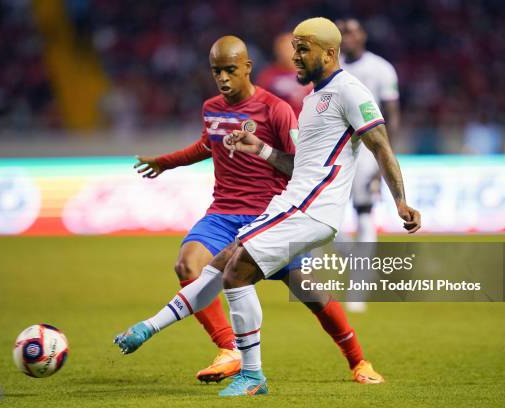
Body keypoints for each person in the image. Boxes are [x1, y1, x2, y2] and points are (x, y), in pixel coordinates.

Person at [129, 35, 378, 385]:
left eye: (230, 70)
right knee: (187, 264)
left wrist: (262, 153)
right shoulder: (211, 107)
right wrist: (165, 163)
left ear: (247, 67)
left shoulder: (276, 109)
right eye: (217, 71)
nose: (223, 78)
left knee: (311, 293)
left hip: (269, 216)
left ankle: (358, 361)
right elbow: (206, 144)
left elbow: (299, 165)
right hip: (222, 214)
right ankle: (229, 349)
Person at [334, 18, 402, 312]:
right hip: (335, 148)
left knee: (363, 212)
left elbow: (392, 114)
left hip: (365, 148)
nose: (346, 37)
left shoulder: (381, 69)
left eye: (350, 31)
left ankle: (358, 290)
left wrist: (384, 157)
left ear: (363, 35)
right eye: (341, 33)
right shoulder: (331, 64)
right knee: (328, 220)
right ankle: (362, 265)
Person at [257, 32, 312, 117]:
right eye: (284, 49)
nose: (287, 53)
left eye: (291, 48)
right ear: (277, 52)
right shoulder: (268, 76)